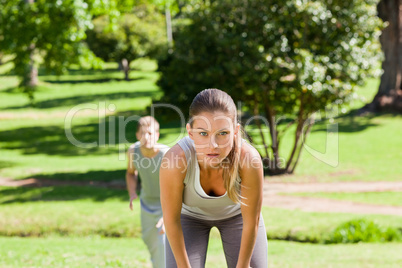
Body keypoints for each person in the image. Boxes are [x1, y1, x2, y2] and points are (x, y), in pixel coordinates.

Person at [160, 89, 268, 268]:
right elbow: (171, 220)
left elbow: (252, 221)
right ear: (190, 132)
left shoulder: (249, 159)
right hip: (189, 218)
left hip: (238, 217)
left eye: (223, 133)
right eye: (203, 133)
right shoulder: (175, 160)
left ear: (235, 131)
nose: (214, 145)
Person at [126, 116, 170, 268]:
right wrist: (132, 193)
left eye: (150, 133)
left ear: (157, 135)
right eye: (142, 133)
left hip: (166, 206)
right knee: (150, 242)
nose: (146, 137)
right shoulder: (133, 151)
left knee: (163, 243)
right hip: (146, 205)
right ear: (137, 135)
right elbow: (130, 172)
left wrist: (168, 214)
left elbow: (179, 187)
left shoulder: (166, 155)